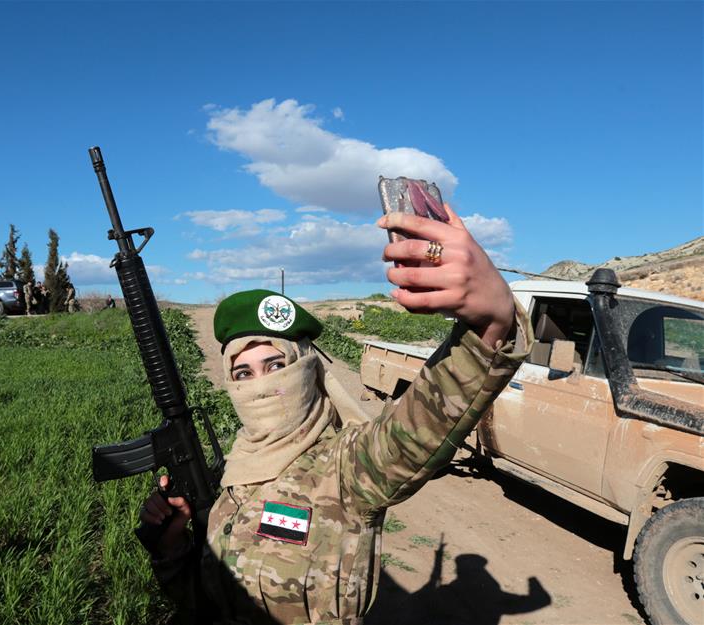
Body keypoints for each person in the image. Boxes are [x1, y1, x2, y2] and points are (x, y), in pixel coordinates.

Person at [139, 204, 533, 624]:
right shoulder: (233, 474)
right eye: (244, 373)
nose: (262, 385)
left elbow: (418, 427)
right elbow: (206, 602)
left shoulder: (348, 469)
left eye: (277, 366)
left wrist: (490, 324)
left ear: (308, 369)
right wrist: (172, 546)